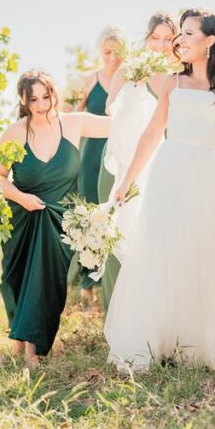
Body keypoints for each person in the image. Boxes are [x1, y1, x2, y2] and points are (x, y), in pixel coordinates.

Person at [105, 9, 215, 373]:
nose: (180, 41)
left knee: (201, 253)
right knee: (162, 249)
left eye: (188, 34)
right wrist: (126, 181)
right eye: (180, 34)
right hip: (170, 170)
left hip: (211, 174)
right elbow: (152, 134)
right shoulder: (172, 83)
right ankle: (154, 339)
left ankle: (195, 343)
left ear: (211, 40)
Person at [0, 70, 111, 367]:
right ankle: (20, 337)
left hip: (60, 218)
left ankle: (34, 349)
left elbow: (118, 125)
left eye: (45, 97)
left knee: (46, 280)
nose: (41, 105)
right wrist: (22, 198)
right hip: (22, 214)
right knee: (16, 279)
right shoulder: (15, 132)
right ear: (23, 100)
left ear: (53, 93)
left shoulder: (73, 123)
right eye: (33, 99)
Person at [97, 12, 179, 312]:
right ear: (146, 39)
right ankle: (115, 318)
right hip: (123, 166)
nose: (160, 45)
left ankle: (151, 317)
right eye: (155, 37)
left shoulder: (183, 76)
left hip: (162, 168)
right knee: (117, 242)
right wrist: (134, 92)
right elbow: (110, 111)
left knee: (154, 243)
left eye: (168, 39)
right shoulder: (128, 71)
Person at [72, 26, 127, 301]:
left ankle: (110, 279)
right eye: (107, 52)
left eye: (118, 52)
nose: (113, 58)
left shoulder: (131, 80)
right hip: (91, 154)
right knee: (89, 213)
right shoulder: (86, 81)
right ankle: (86, 283)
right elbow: (70, 117)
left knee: (113, 214)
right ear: (99, 52)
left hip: (120, 153)